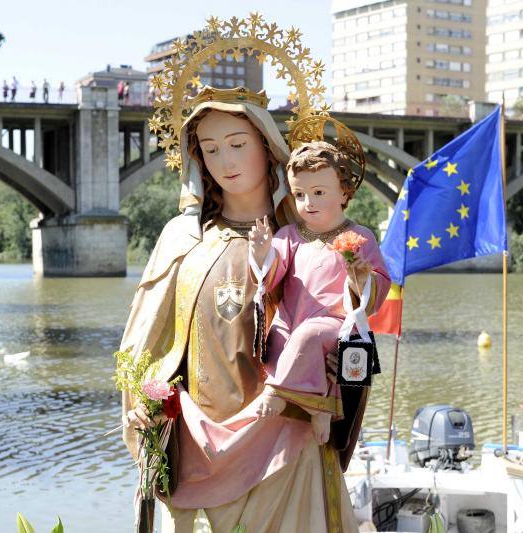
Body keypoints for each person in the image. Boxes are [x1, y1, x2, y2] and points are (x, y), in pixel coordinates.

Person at [120, 86, 365, 532]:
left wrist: (335, 360)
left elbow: (342, 318)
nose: (225, 162)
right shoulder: (184, 239)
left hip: (286, 435)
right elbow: (146, 339)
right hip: (199, 437)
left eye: (237, 145)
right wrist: (143, 395)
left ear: (267, 149)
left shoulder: (302, 237)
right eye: (210, 150)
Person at [248, 141, 389, 446]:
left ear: (344, 192)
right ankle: (313, 404)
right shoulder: (290, 237)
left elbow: (376, 290)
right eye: (299, 195)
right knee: (279, 338)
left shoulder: (358, 237)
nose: (308, 202)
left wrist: (361, 277)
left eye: (319, 193)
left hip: (331, 326)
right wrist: (262, 255)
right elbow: (270, 277)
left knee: (310, 335)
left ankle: (299, 400)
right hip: (290, 320)